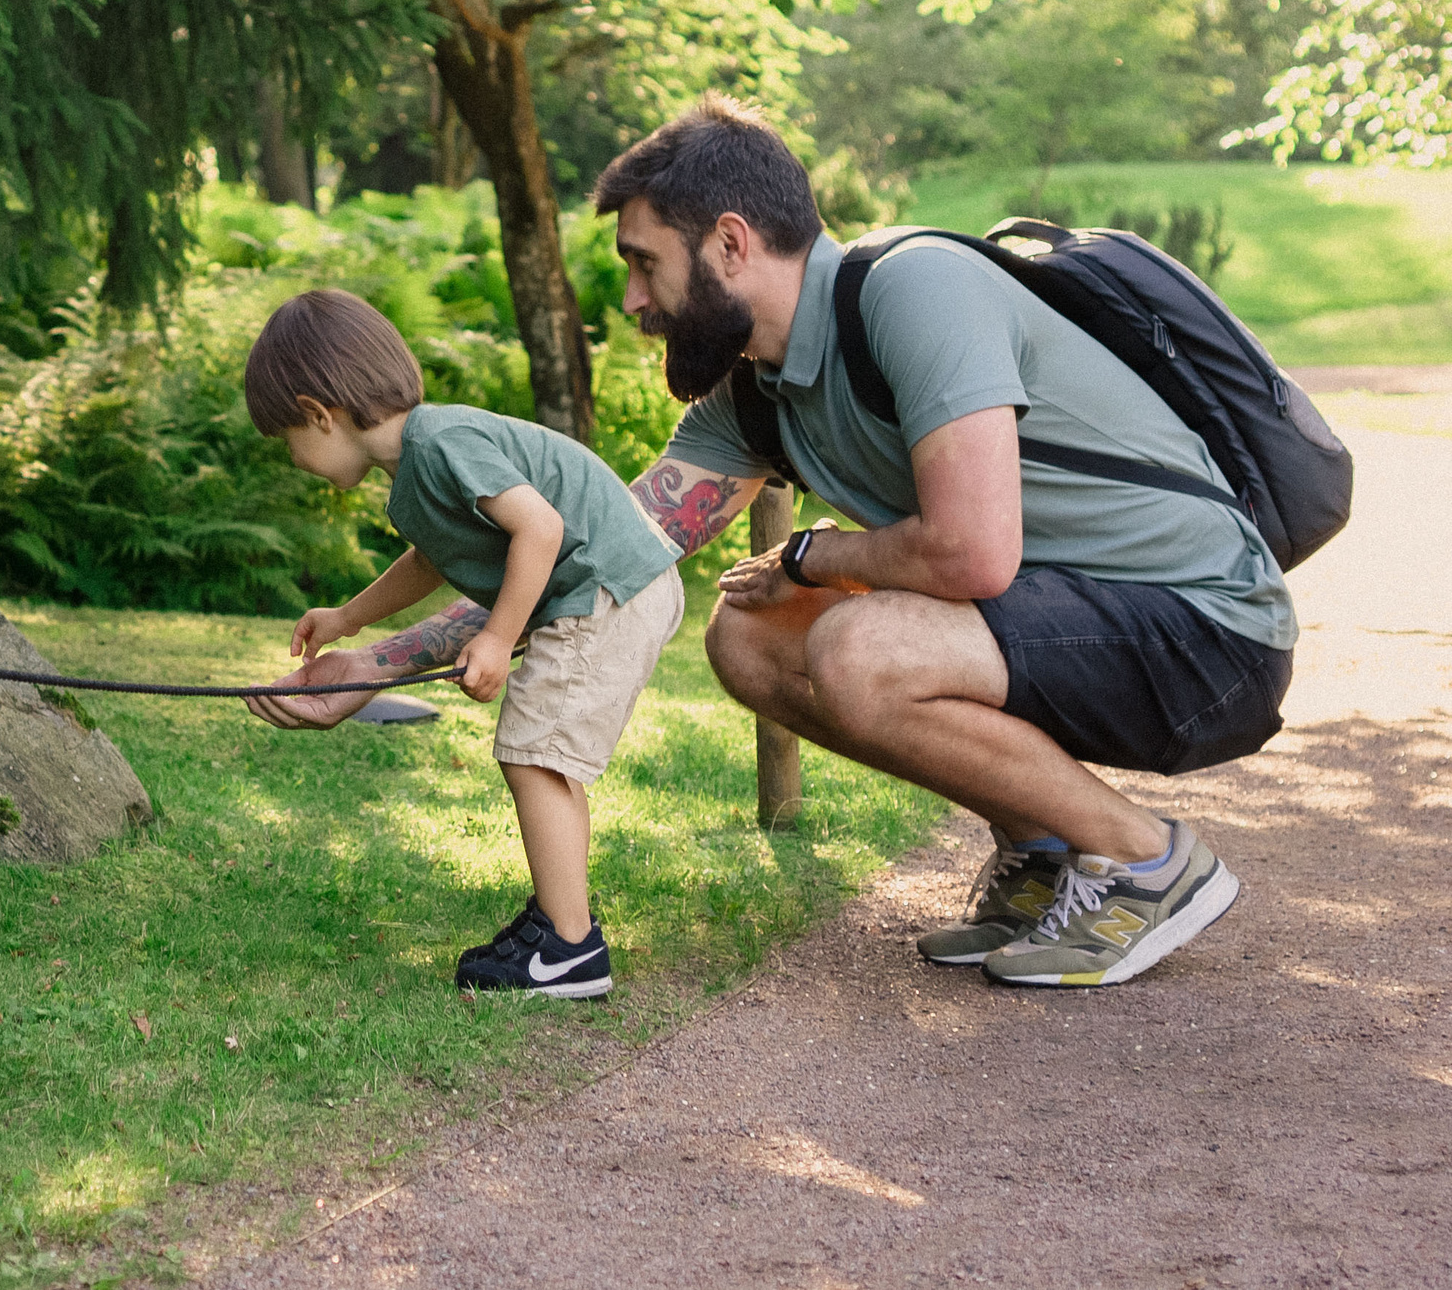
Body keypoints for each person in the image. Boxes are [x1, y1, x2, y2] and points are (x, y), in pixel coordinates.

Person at [253, 95, 1291, 990]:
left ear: (731, 244)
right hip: (1070, 625)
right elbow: (592, 564)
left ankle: (1144, 860)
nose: (632, 301)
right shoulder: (747, 399)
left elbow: (973, 556)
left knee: (852, 642)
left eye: (644, 265)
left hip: (1204, 629)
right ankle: (1044, 847)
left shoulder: (915, 290)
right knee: (747, 635)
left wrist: (816, 556)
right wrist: (370, 661)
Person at [242, 289, 687, 997]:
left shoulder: (441, 440)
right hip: (616, 585)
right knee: (543, 760)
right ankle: (561, 920)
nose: (292, 457)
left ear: (316, 414)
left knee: (532, 755)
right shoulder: (416, 468)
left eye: (286, 440)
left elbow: (538, 529)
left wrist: (497, 636)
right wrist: (349, 617)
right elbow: (431, 559)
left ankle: (570, 952)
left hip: (605, 587)